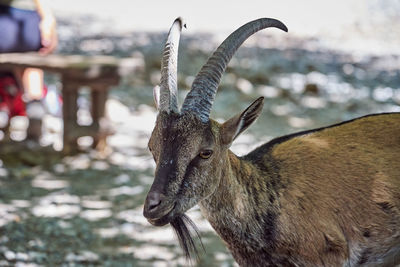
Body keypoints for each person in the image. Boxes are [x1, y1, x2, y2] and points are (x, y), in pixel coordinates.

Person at [0, 0, 57, 141]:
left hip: (4, 21)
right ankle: (35, 111)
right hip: (30, 21)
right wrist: (48, 20)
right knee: (32, 67)